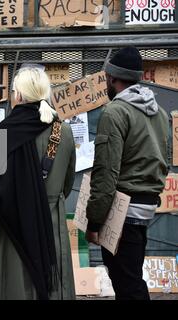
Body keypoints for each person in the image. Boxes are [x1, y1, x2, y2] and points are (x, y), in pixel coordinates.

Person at [0, 66, 76, 300]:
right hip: (51, 222)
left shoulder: (3, 132)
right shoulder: (62, 130)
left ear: (19, 96)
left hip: (14, 225)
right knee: (54, 286)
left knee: (17, 286)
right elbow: (68, 181)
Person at [85, 46, 169, 300]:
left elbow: (106, 172)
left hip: (122, 213)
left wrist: (94, 222)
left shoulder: (115, 112)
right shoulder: (160, 113)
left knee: (128, 285)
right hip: (144, 210)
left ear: (112, 78)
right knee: (130, 277)